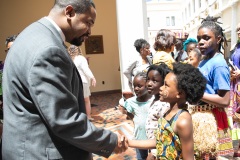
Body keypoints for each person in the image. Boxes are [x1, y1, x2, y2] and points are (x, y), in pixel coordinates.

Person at [2, 1, 128, 159]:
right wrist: (110, 141)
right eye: (88, 23)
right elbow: (64, 120)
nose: (90, 31)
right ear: (69, 12)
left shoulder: (31, 34)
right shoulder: (49, 50)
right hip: (40, 152)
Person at [128, 62, 206, 160]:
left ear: (179, 93)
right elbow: (160, 141)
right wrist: (129, 142)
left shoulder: (183, 121)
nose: (161, 88)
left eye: (166, 85)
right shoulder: (168, 112)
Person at [189, 16, 234, 159]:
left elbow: (225, 100)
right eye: (199, 38)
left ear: (219, 39)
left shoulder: (218, 64)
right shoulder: (205, 61)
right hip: (201, 117)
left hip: (212, 120)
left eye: (206, 38)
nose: (201, 42)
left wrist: (197, 93)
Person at [119, 72, 153, 160]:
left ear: (147, 85)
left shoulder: (154, 100)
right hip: (139, 138)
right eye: (134, 86)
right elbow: (126, 111)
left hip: (153, 138)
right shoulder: (131, 101)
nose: (136, 89)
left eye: (139, 86)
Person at [145, 63, 171, 159]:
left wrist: (153, 153)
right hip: (152, 147)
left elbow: (166, 133)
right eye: (148, 79)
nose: (149, 83)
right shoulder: (154, 100)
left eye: (154, 81)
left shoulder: (164, 105)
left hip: (159, 151)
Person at [68, 45, 96, 121]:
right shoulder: (81, 58)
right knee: (86, 100)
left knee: (76, 100)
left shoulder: (69, 59)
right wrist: (92, 77)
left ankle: (77, 117)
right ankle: (88, 116)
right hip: (83, 82)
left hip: (73, 82)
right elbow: (85, 69)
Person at [227, 22, 240, 157]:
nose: (239, 32)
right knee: (235, 116)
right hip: (235, 86)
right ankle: (236, 147)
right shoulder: (235, 47)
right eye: (237, 30)